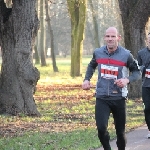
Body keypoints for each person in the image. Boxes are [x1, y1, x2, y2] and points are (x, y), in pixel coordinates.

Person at [82, 27, 141, 150]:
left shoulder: (126, 55)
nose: (110, 39)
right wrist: (87, 79)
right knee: (101, 128)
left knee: (120, 132)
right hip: (102, 96)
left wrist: (127, 80)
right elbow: (92, 65)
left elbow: (137, 72)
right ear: (104, 38)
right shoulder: (98, 52)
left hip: (119, 97)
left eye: (113, 36)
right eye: (108, 36)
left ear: (118, 38)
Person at [137, 32, 150, 139]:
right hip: (146, 85)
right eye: (149, 40)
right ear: (147, 41)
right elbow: (138, 67)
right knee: (148, 108)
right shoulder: (141, 53)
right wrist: (142, 68)